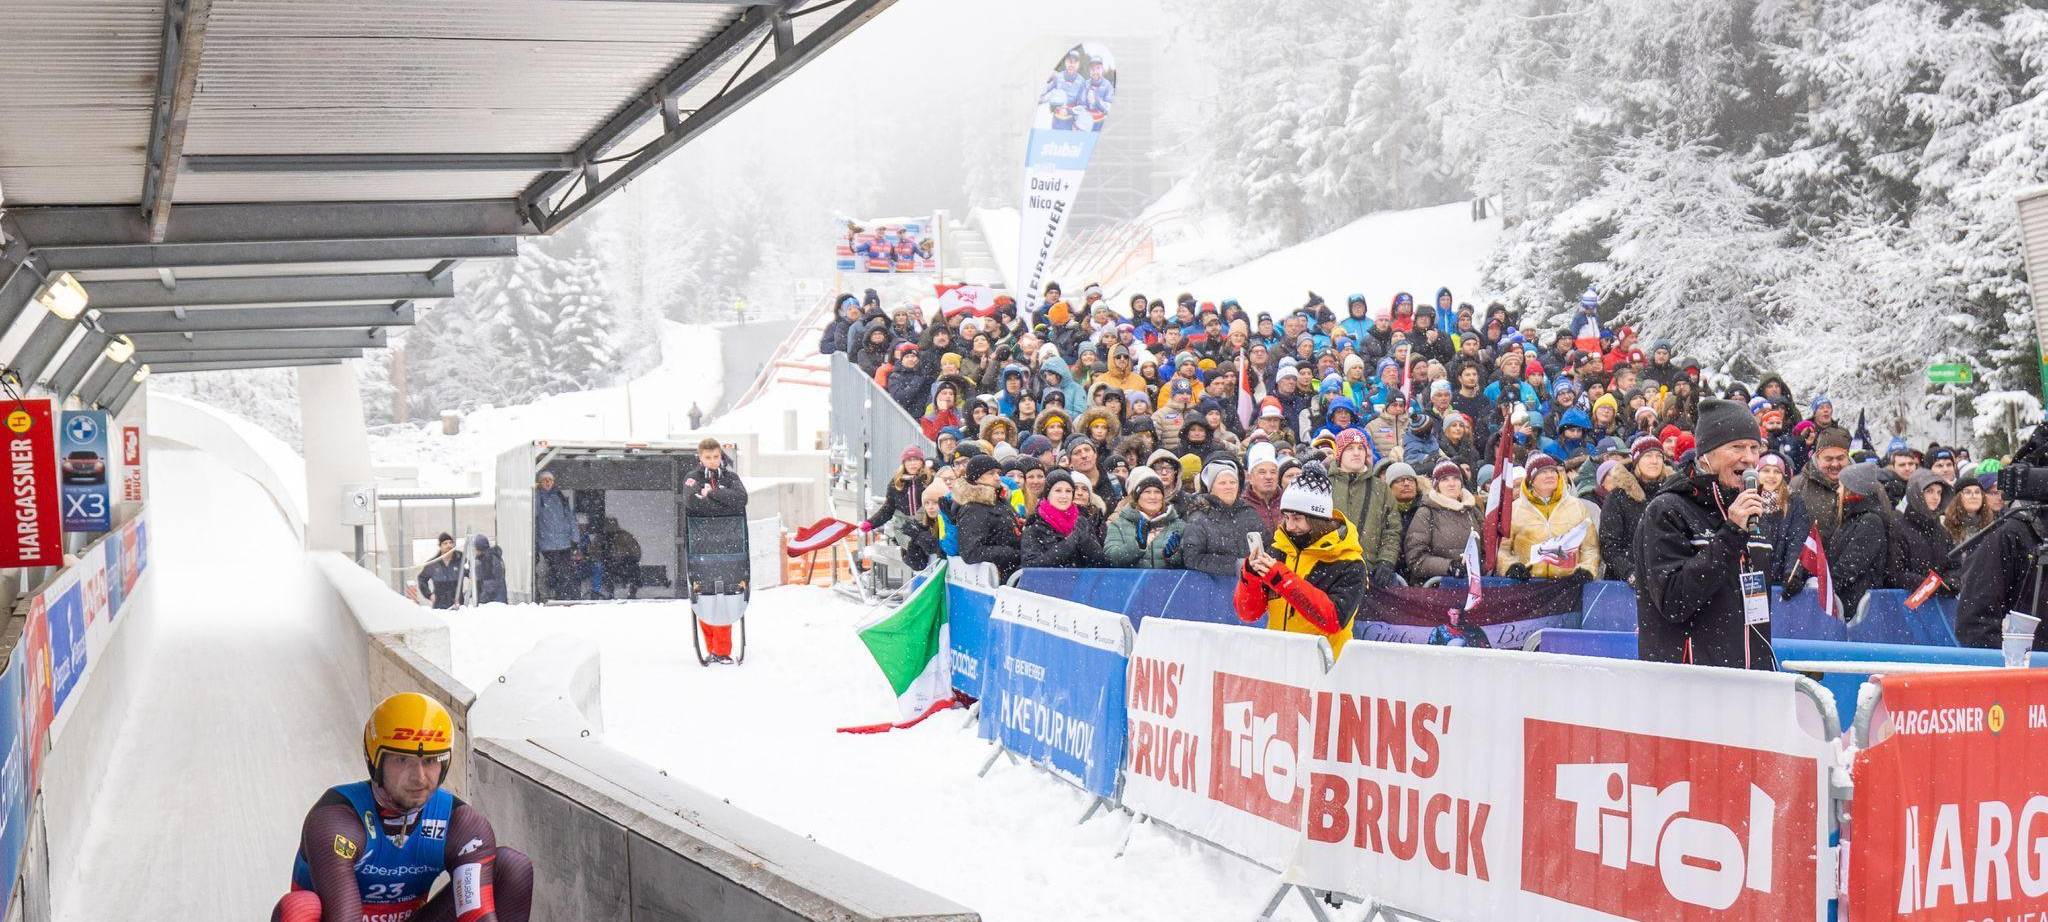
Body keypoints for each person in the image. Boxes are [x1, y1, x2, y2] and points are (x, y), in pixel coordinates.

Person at [271, 693, 532, 922]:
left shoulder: (461, 826)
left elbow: (475, 913)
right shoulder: (337, 820)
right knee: (300, 908)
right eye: (401, 760)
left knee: (511, 867)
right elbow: (344, 916)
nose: (419, 777)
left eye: (430, 761)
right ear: (375, 761)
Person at [1634, 398, 1774, 670]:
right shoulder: (1667, 510)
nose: (1749, 457)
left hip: (1751, 682)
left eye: (1754, 447)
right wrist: (1731, 534)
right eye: (1737, 447)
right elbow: (1673, 602)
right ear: (1706, 455)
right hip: (1690, 685)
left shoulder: (1753, 513)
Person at [1233, 463, 1367, 657]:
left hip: (1325, 667)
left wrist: (1282, 579)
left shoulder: (1349, 562)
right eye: (1286, 517)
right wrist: (1250, 575)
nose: (1290, 526)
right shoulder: (1278, 550)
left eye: (1297, 518)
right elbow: (1248, 613)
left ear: (1317, 519)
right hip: (1279, 662)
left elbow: (1333, 620)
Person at [683, 438, 747, 663]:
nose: (712, 461)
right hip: (701, 546)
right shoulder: (692, 478)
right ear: (700, 457)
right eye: (708, 457)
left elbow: (741, 500)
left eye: (716, 456)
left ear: (721, 456)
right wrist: (723, 505)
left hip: (730, 546)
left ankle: (722, 650)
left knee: (727, 595)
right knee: (704, 596)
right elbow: (692, 504)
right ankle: (713, 648)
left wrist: (712, 494)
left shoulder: (731, 478)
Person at [1498, 453, 1600, 579]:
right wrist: (1510, 567)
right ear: (1531, 479)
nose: (1550, 475)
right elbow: (1502, 550)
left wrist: (1587, 569)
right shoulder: (1514, 510)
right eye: (1543, 472)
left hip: (1568, 585)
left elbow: (1590, 548)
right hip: (1527, 585)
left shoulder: (1577, 507)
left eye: (1553, 471)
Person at [1326, 430, 1403, 588]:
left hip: (1369, 572)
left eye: (1360, 448)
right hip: (1329, 571)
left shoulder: (1381, 489)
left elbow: (1392, 530)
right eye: (1350, 448)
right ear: (1339, 454)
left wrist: (1386, 561)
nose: (1356, 453)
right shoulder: (1325, 485)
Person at [1180, 458, 1267, 578]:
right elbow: (1192, 558)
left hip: (1252, 586)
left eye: (1233, 482)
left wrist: (1262, 563)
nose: (1229, 486)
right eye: (1222, 483)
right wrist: (1236, 565)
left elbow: (1268, 544)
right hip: (1215, 588)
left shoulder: (1249, 512)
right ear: (1211, 488)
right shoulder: (1199, 518)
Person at [1403, 461, 1480, 582]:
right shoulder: (1426, 512)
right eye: (1444, 479)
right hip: (1439, 588)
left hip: (1474, 583)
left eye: (1455, 478)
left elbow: (1487, 547)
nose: (1451, 484)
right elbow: (1416, 558)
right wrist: (1448, 566)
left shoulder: (1472, 511)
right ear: (1436, 485)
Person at [1021, 470, 1108, 568]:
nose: (1064, 496)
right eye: (1058, 490)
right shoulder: (1034, 526)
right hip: (1050, 582)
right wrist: (1069, 543)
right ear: (1048, 494)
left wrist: (1086, 541)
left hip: (1083, 581)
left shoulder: (1082, 520)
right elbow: (1030, 566)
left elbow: (1102, 563)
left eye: (1068, 491)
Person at [954, 455, 1022, 578]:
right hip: (998, 578)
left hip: (1012, 571)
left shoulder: (999, 500)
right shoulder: (973, 508)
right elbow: (971, 552)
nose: (997, 477)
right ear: (976, 477)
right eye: (991, 473)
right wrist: (1010, 553)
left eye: (998, 473)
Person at [1104, 469, 1186, 568]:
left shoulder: (1180, 526)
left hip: (1168, 582)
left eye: (1157, 492)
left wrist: (1173, 556)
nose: (1153, 497)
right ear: (1137, 497)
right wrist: (1137, 546)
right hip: (1133, 583)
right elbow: (1111, 558)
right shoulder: (1118, 525)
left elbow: (1189, 560)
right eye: (1147, 492)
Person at [534, 471, 579, 602]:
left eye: (550, 480)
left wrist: (575, 540)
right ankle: (561, 598)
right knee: (560, 572)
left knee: (567, 572)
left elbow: (571, 518)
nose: (548, 482)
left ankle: (566, 598)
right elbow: (533, 518)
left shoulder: (559, 496)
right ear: (540, 482)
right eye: (545, 480)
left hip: (564, 543)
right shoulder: (536, 497)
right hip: (547, 545)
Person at [416, 533, 463, 610]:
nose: (449, 545)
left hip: (458, 604)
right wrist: (429, 595)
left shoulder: (460, 560)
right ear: (440, 546)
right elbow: (422, 578)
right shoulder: (433, 563)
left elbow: (472, 574)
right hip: (440, 605)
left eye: (450, 543)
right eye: (445, 543)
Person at [601, 517, 643, 600]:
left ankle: (632, 593)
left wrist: (626, 558)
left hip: (625, 562)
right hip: (609, 563)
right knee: (605, 570)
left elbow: (636, 551)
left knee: (635, 569)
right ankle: (610, 593)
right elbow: (596, 550)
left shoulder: (624, 536)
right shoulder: (602, 538)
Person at [471, 535, 508, 605]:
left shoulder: (487, 560)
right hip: (500, 598)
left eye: (474, 548)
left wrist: (481, 600)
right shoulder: (495, 557)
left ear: (478, 548)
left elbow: (490, 584)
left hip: (493, 602)